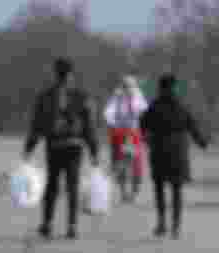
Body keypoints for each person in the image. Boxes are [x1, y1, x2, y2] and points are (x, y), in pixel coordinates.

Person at [23, 57, 100, 240]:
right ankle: (72, 226)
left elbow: (38, 124)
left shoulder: (46, 96)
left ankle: (47, 224)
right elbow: (89, 126)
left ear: (55, 73)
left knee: (52, 185)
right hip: (74, 145)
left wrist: (29, 148)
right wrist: (94, 150)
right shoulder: (82, 96)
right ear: (72, 74)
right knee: (72, 185)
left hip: (55, 145)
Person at [139, 73, 210, 239]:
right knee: (177, 190)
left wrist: (146, 140)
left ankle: (162, 222)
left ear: (160, 88)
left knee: (159, 188)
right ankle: (176, 226)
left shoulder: (153, 107)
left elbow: (143, 126)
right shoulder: (182, 106)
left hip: (159, 151)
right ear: (174, 88)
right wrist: (202, 142)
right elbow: (192, 126)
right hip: (178, 152)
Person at [103, 75, 149, 201]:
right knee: (119, 163)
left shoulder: (138, 96)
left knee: (137, 163)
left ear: (134, 86)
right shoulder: (117, 97)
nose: (128, 88)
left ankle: (135, 190)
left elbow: (144, 110)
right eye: (125, 86)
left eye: (130, 86)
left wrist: (135, 107)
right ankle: (123, 190)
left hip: (134, 132)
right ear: (122, 86)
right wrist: (112, 122)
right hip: (120, 132)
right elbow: (108, 112)